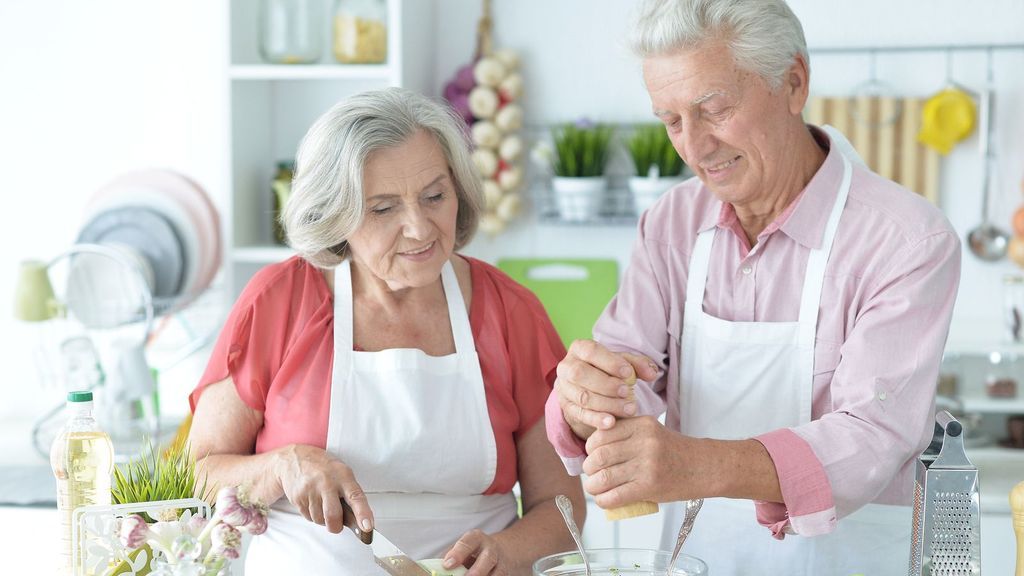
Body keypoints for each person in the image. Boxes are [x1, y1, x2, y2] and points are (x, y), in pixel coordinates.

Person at [545, 1, 961, 574]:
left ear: (793, 83)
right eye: (670, 121)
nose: (693, 146)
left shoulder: (907, 240)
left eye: (713, 108)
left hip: (847, 560)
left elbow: (871, 438)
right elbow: (628, 375)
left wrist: (693, 465)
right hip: (698, 558)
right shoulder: (669, 225)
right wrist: (589, 401)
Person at [189, 87, 585, 576]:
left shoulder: (511, 311)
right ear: (335, 215)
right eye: (382, 209)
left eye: (435, 196)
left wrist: (508, 552)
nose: (419, 228)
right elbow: (197, 475)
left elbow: (562, 508)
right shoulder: (280, 299)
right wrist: (281, 466)